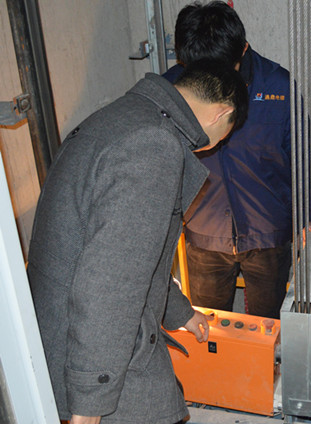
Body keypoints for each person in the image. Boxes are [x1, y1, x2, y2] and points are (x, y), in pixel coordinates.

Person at [27, 60, 248, 424]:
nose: (215, 147)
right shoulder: (153, 146)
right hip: (103, 356)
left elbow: (135, 255)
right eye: (224, 136)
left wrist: (180, 312)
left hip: (63, 335)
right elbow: (112, 282)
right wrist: (91, 400)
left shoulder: (120, 117)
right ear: (221, 113)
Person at [164, 1, 292, 319]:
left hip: (267, 235)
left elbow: (303, 161)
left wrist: (307, 222)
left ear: (242, 51)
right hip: (203, 235)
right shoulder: (171, 91)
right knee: (207, 328)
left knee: (268, 331)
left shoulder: (278, 87)